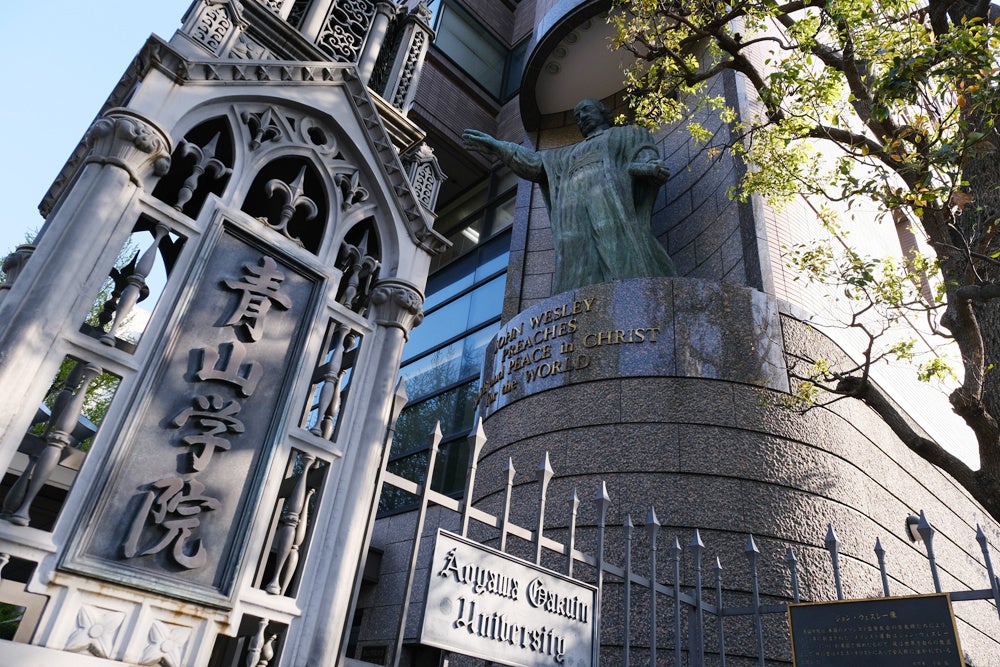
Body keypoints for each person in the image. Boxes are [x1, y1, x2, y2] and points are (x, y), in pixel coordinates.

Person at [463, 98, 676, 293]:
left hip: (608, 202)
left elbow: (645, 155)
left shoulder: (628, 134)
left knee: (618, 248)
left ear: (603, 112)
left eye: (586, 110)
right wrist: (498, 147)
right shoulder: (566, 154)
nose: (581, 117)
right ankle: (577, 303)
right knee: (575, 258)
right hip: (572, 212)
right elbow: (535, 164)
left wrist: (651, 166)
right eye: (577, 116)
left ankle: (634, 293)